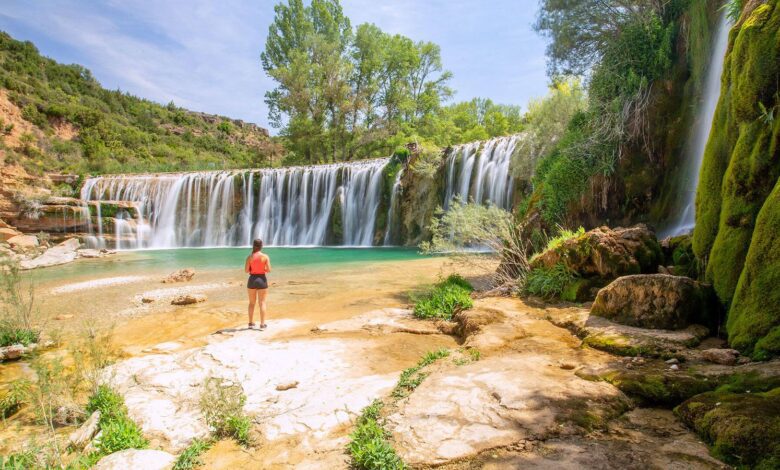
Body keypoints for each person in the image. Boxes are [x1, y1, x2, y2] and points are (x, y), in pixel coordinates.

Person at [245, 239, 271, 329]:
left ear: (253, 246)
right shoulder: (265, 257)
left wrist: (253, 270)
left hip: (252, 280)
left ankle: (250, 323)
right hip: (262, 280)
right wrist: (262, 269)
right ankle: (262, 324)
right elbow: (269, 270)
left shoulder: (249, 257)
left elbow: (246, 270)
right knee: (262, 303)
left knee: (251, 303)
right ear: (261, 246)